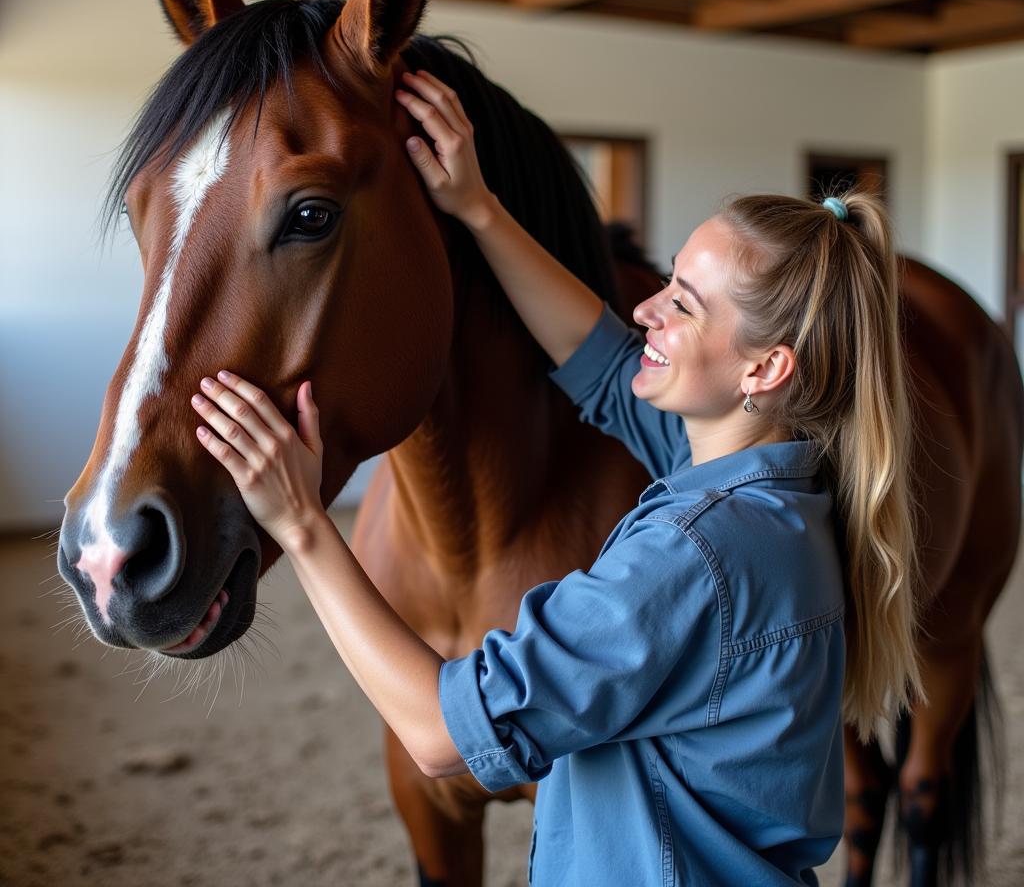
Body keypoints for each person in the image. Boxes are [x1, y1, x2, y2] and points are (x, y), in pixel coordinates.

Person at [189, 70, 921, 886]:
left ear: (766, 366)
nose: (646, 311)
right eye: (669, 281)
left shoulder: (691, 557)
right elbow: (601, 363)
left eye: (683, 304)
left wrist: (301, 524)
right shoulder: (778, 494)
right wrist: (477, 207)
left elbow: (439, 734)